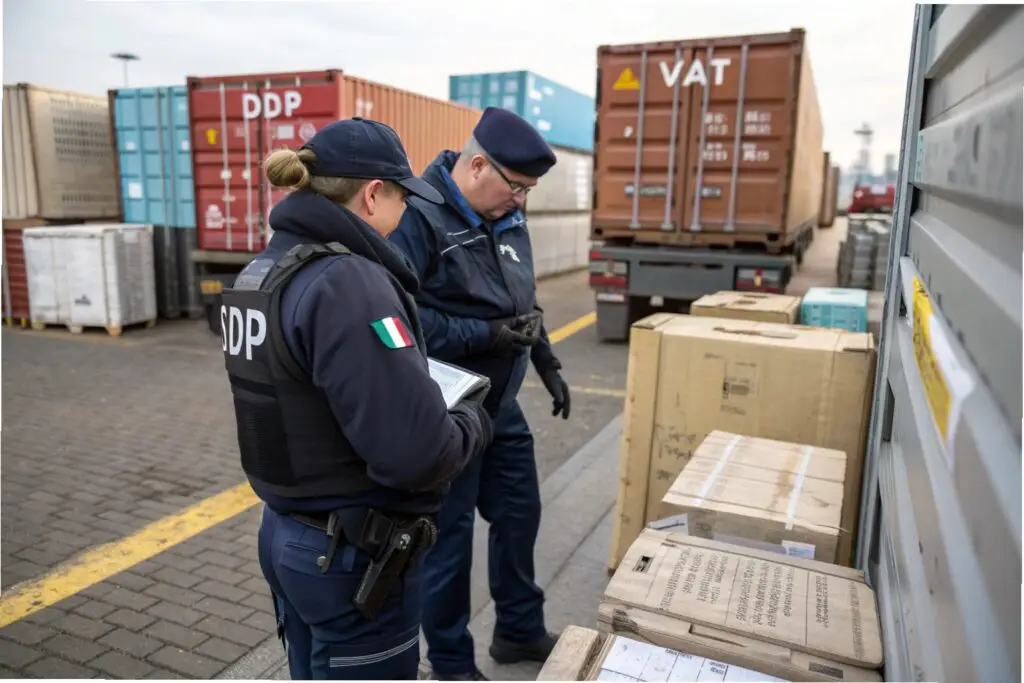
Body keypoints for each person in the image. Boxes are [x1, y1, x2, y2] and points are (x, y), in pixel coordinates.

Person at [219, 117, 493, 681]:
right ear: (373, 195)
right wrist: (472, 418)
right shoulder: (348, 281)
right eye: (402, 197)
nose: (406, 213)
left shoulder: (261, 272)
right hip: (352, 555)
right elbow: (416, 455)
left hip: (288, 533)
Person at [388, 107, 571, 681]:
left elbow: (524, 301)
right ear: (476, 165)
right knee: (450, 542)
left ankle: (517, 631)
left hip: (502, 407)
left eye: (528, 190)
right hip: (448, 413)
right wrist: (483, 335)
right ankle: (450, 662)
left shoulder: (508, 214)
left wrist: (547, 362)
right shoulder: (417, 217)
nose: (521, 200)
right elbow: (402, 323)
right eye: (515, 187)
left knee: (520, 516)